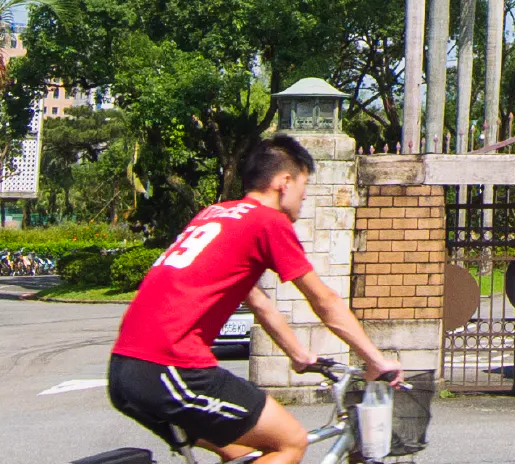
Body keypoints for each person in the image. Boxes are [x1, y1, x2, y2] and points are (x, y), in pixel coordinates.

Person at [107, 136, 401, 463]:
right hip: (170, 367)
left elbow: (257, 301)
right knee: (290, 441)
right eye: (303, 192)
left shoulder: (215, 215)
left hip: (125, 368)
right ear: (284, 182)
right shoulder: (268, 221)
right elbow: (325, 301)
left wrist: (298, 353)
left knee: (244, 453)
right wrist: (376, 360)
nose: (302, 202)